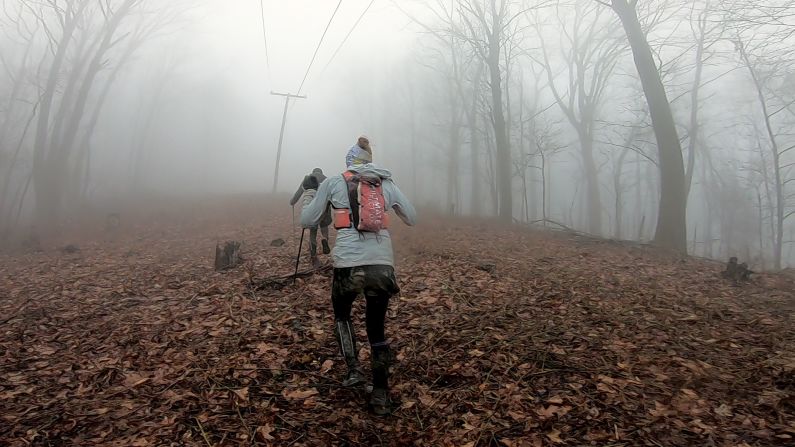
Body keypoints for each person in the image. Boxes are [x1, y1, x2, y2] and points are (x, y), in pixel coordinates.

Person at [299, 138, 417, 415]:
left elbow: (307, 220)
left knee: (342, 315)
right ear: (370, 160)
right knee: (376, 327)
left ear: (349, 161)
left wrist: (309, 193)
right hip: (382, 264)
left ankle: (353, 371)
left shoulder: (333, 183)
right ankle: (380, 394)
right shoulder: (385, 183)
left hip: (348, 265)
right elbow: (412, 217)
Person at [290, 168, 332, 266]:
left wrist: (292, 202)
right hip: (324, 208)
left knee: (313, 233)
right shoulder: (326, 179)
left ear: (313, 172)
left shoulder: (308, 179)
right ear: (322, 172)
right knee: (324, 228)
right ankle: (324, 239)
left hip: (311, 208)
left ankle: (314, 258)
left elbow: (299, 192)